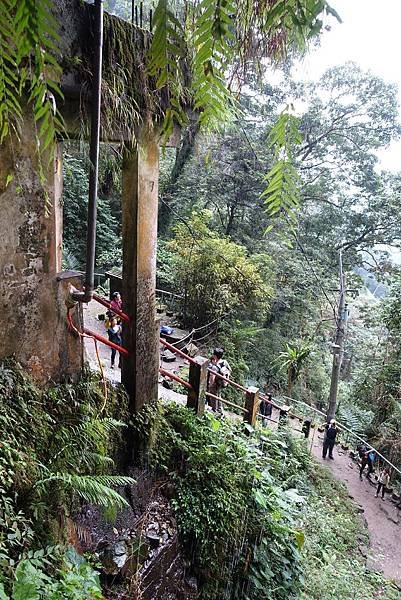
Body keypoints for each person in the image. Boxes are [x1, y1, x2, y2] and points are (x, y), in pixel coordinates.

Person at [207, 348, 231, 413]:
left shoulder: (215, 367)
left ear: (215, 356)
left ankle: (214, 410)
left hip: (216, 383)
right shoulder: (224, 362)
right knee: (218, 395)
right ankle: (220, 410)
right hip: (222, 382)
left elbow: (212, 377)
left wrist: (210, 385)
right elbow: (230, 370)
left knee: (213, 396)